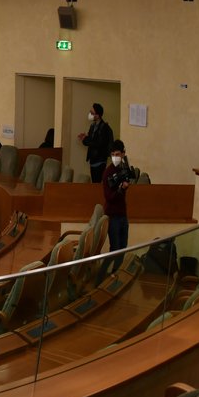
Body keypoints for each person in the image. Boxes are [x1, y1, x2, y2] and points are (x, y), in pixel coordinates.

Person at [100, 140, 132, 277]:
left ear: (123, 154)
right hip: (112, 215)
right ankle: (102, 275)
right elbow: (109, 197)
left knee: (123, 247)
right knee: (115, 248)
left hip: (122, 214)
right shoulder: (108, 173)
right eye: (112, 154)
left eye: (117, 154)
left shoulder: (122, 169)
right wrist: (120, 189)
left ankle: (116, 274)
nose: (115, 157)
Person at [80, 103, 115, 183]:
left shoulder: (104, 127)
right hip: (92, 159)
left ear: (98, 115)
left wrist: (86, 140)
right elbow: (90, 140)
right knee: (94, 182)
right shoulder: (92, 126)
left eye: (92, 113)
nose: (90, 115)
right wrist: (85, 138)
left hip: (100, 160)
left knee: (97, 183)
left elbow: (99, 143)